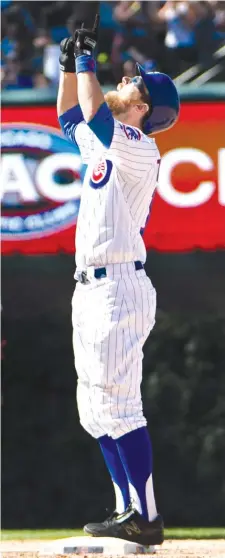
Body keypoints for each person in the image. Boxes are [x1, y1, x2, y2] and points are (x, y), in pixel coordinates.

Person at [57, 13, 179, 548]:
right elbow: (70, 117)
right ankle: (127, 508)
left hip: (119, 287)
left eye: (131, 81)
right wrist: (69, 64)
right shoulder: (110, 144)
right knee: (94, 407)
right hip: (91, 287)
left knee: (119, 403)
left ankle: (146, 516)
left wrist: (88, 60)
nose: (124, 81)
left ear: (143, 107)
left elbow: (93, 114)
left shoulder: (137, 145)